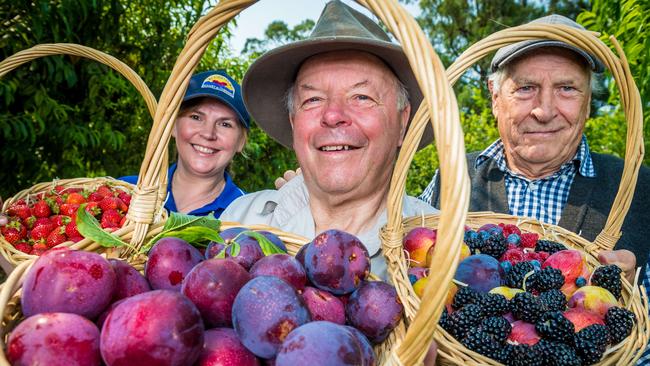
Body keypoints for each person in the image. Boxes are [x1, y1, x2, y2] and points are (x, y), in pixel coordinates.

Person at [419, 14, 650, 284]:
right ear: (495, 97)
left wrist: (638, 291)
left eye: (566, 88)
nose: (544, 111)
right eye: (526, 88)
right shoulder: (451, 179)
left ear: (587, 102)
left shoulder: (639, 188)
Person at [220, 0, 437, 283]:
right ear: (293, 122)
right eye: (313, 99)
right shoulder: (239, 220)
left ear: (403, 122)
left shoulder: (442, 244)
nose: (333, 115)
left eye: (362, 97)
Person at [121, 70, 249, 217]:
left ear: (241, 141)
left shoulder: (247, 213)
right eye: (196, 117)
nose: (208, 134)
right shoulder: (126, 192)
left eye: (225, 124)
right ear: (173, 126)